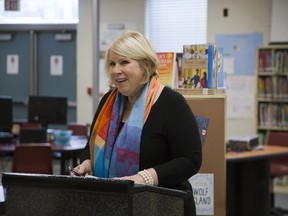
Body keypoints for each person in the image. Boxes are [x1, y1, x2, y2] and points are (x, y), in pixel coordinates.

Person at [72, 30, 202, 215]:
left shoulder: (171, 103)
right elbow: (91, 145)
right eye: (112, 63)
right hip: (114, 205)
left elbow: (191, 160)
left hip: (162, 206)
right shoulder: (108, 101)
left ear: (145, 65)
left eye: (124, 62)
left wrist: (144, 178)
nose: (116, 70)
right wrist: (87, 162)